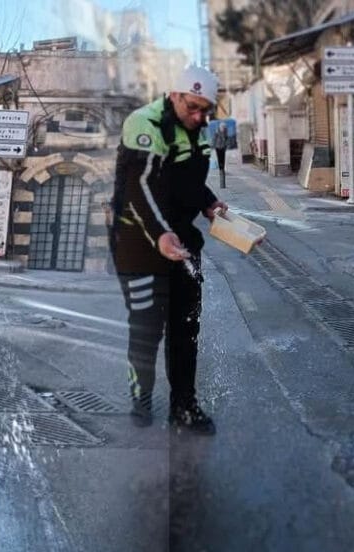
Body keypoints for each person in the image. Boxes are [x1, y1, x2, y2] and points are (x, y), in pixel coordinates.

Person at [109, 64, 228, 434]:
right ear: (174, 95)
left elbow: (187, 180)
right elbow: (139, 188)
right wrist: (161, 234)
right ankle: (141, 398)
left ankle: (184, 406)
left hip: (182, 241)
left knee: (186, 326)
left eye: (205, 110)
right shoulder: (144, 124)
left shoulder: (197, 128)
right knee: (146, 328)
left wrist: (209, 203)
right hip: (139, 242)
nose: (199, 116)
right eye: (192, 107)